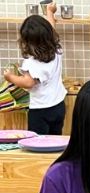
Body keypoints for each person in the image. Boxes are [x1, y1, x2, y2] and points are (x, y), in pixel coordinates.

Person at [3, 2, 67, 135]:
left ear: (26, 41)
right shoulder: (56, 49)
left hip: (40, 110)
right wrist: (50, 11)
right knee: (55, 139)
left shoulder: (32, 63)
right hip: (59, 106)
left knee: (37, 142)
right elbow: (51, 28)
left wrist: (10, 77)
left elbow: (28, 83)